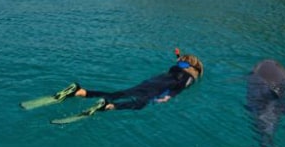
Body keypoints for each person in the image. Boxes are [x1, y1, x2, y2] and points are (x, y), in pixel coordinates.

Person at [54, 50, 203, 116]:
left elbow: (177, 69)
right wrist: (169, 96)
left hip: (147, 83)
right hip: (155, 90)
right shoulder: (188, 77)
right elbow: (182, 85)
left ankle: (79, 91)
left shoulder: (173, 69)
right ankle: (109, 106)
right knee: (140, 104)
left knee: (118, 93)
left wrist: (180, 61)